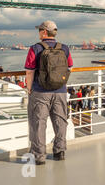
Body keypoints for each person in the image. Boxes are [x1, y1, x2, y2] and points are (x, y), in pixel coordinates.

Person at [24, 20, 73, 165]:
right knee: (60, 121)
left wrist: (29, 88)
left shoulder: (35, 48)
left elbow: (29, 72)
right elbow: (70, 67)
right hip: (60, 91)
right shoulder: (64, 48)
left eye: (39, 30)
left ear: (44, 32)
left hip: (40, 91)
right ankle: (59, 151)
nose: (38, 32)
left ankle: (39, 156)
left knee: (38, 123)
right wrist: (60, 83)